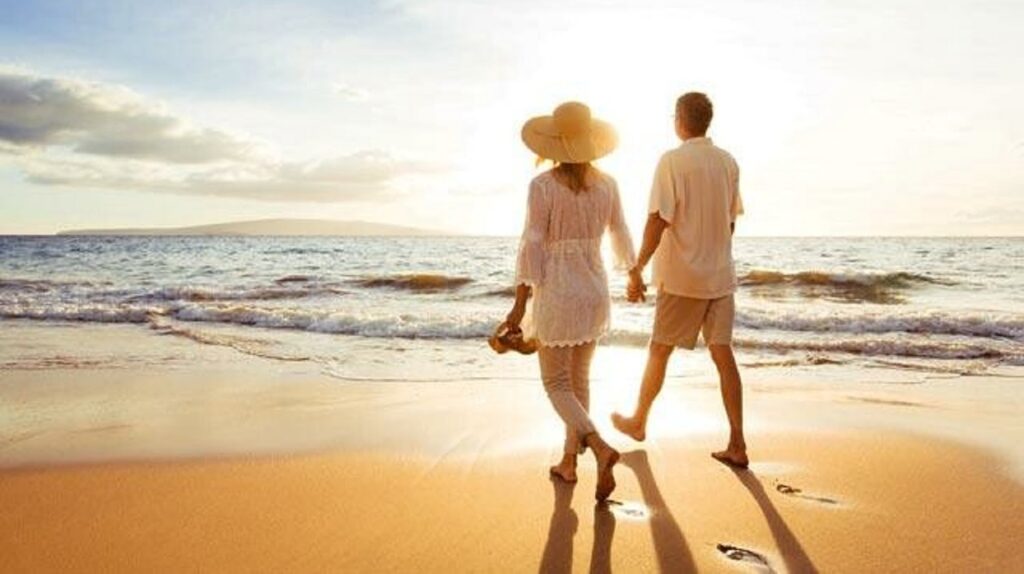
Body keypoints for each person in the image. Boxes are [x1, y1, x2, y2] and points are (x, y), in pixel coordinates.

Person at [506, 101, 637, 500]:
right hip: (595, 288)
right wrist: (632, 273)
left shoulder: (543, 186)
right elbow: (619, 231)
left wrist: (519, 302)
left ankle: (597, 446)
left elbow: (533, 244)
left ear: (556, 143)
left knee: (556, 382)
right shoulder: (608, 184)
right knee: (579, 380)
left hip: (559, 289)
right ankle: (569, 462)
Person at [611, 92, 749, 468]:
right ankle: (737, 442)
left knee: (659, 350)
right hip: (720, 276)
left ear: (680, 120)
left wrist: (637, 266)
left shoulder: (672, 161)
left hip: (683, 276)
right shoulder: (728, 162)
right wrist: (714, 253)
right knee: (723, 355)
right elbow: (730, 221)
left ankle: (639, 420)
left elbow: (658, 220)